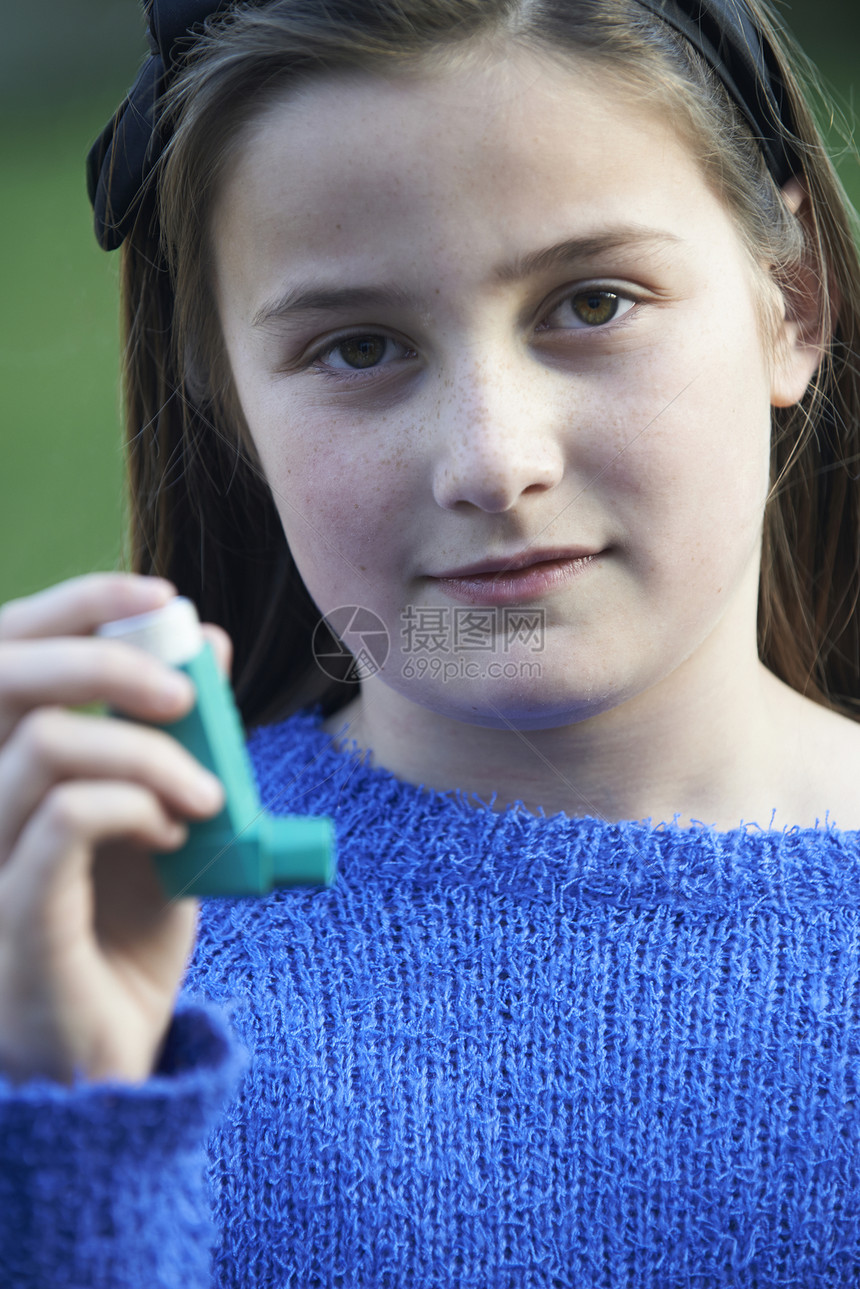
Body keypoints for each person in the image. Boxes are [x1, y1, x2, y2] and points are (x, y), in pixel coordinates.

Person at [1, 0, 859, 1282]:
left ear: (789, 298)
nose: (492, 458)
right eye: (359, 346)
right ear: (225, 394)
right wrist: (72, 1127)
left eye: (591, 301)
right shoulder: (96, 953)